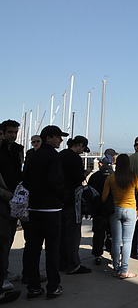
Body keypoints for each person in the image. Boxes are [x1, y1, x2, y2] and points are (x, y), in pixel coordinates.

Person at [22, 125, 69, 300]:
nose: (60, 140)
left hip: (34, 207)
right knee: (52, 249)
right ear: (49, 138)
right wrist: (62, 196)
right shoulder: (53, 157)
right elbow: (55, 180)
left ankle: (33, 286)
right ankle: (53, 286)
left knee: (33, 247)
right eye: (58, 137)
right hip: (51, 208)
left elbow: (25, 180)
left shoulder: (33, 156)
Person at [102, 154, 138, 279]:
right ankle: (124, 270)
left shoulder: (111, 178)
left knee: (116, 241)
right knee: (127, 241)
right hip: (130, 210)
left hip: (115, 210)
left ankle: (116, 268)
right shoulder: (134, 177)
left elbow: (104, 197)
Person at [58, 135, 92, 275]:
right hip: (72, 199)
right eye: (82, 148)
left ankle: (61, 262)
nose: (82, 152)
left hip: (59, 200)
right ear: (79, 145)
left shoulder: (60, 156)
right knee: (72, 234)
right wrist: (86, 173)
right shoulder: (74, 158)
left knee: (61, 234)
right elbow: (78, 177)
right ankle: (73, 264)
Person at [0, 120, 24, 288]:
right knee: (3, 237)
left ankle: (4, 270)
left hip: (14, 200)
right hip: (3, 198)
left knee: (9, 237)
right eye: (9, 132)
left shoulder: (17, 150)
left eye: (15, 132)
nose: (13, 135)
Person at [88, 150, 117, 264]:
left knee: (99, 232)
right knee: (113, 233)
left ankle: (97, 254)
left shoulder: (95, 177)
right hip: (113, 208)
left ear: (100, 164)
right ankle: (112, 251)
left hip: (98, 209)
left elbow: (89, 193)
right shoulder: (115, 176)